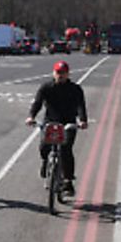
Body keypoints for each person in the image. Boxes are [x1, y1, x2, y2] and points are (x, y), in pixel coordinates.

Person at [27, 61, 91, 191]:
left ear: (68, 74)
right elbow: (37, 103)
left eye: (63, 73)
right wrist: (31, 117)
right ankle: (46, 161)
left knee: (66, 149)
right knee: (44, 147)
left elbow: (81, 106)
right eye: (58, 73)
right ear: (53, 73)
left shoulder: (75, 89)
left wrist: (82, 120)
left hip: (68, 123)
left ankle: (68, 180)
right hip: (50, 121)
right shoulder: (46, 87)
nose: (60, 75)